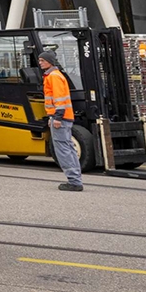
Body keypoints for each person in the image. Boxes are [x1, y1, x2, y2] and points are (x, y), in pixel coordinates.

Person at [40, 51, 82, 191]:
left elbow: (59, 99)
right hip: (61, 117)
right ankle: (75, 178)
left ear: (50, 61)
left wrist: (57, 117)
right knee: (68, 148)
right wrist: (52, 117)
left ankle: (74, 181)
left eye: (42, 60)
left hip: (61, 118)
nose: (40, 63)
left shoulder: (53, 77)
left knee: (63, 150)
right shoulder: (54, 75)